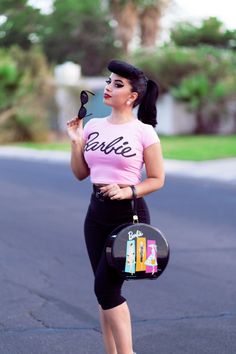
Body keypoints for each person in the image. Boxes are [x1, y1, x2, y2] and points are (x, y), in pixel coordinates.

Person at [67, 59, 165, 354]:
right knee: (104, 291)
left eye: (117, 84)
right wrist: (75, 141)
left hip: (128, 213)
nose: (108, 87)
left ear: (132, 96)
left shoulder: (144, 132)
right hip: (95, 213)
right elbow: (81, 174)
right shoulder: (94, 126)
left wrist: (128, 191)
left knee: (106, 289)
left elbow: (157, 179)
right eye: (109, 81)